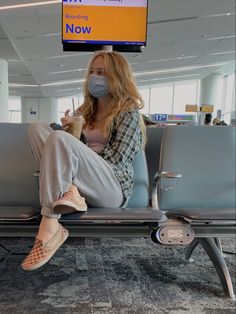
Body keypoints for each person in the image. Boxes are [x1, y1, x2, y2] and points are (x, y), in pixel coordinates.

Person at [21, 51, 146, 271]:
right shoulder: (84, 111)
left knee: (60, 139)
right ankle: (71, 190)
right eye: (91, 72)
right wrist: (71, 134)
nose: (93, 78)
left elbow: (117, 159)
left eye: (101, 73)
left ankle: (50, 223)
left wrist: (72, 149)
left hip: (111, 186)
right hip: (80, 184)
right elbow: (68, 148)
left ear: (117, 77)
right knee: (37, 129)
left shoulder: (128, 113)